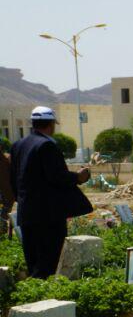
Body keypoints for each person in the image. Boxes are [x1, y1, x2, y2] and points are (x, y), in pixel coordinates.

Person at [10, 107, 92, 278]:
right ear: (51, 124)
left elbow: (14, 179)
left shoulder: (18, 145)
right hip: (48, 215)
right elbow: (56, 176)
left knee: (33, 260)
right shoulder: (46, 145)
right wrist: (79, 177)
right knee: (49, 261)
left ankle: (34, 291)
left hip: (27, 212)